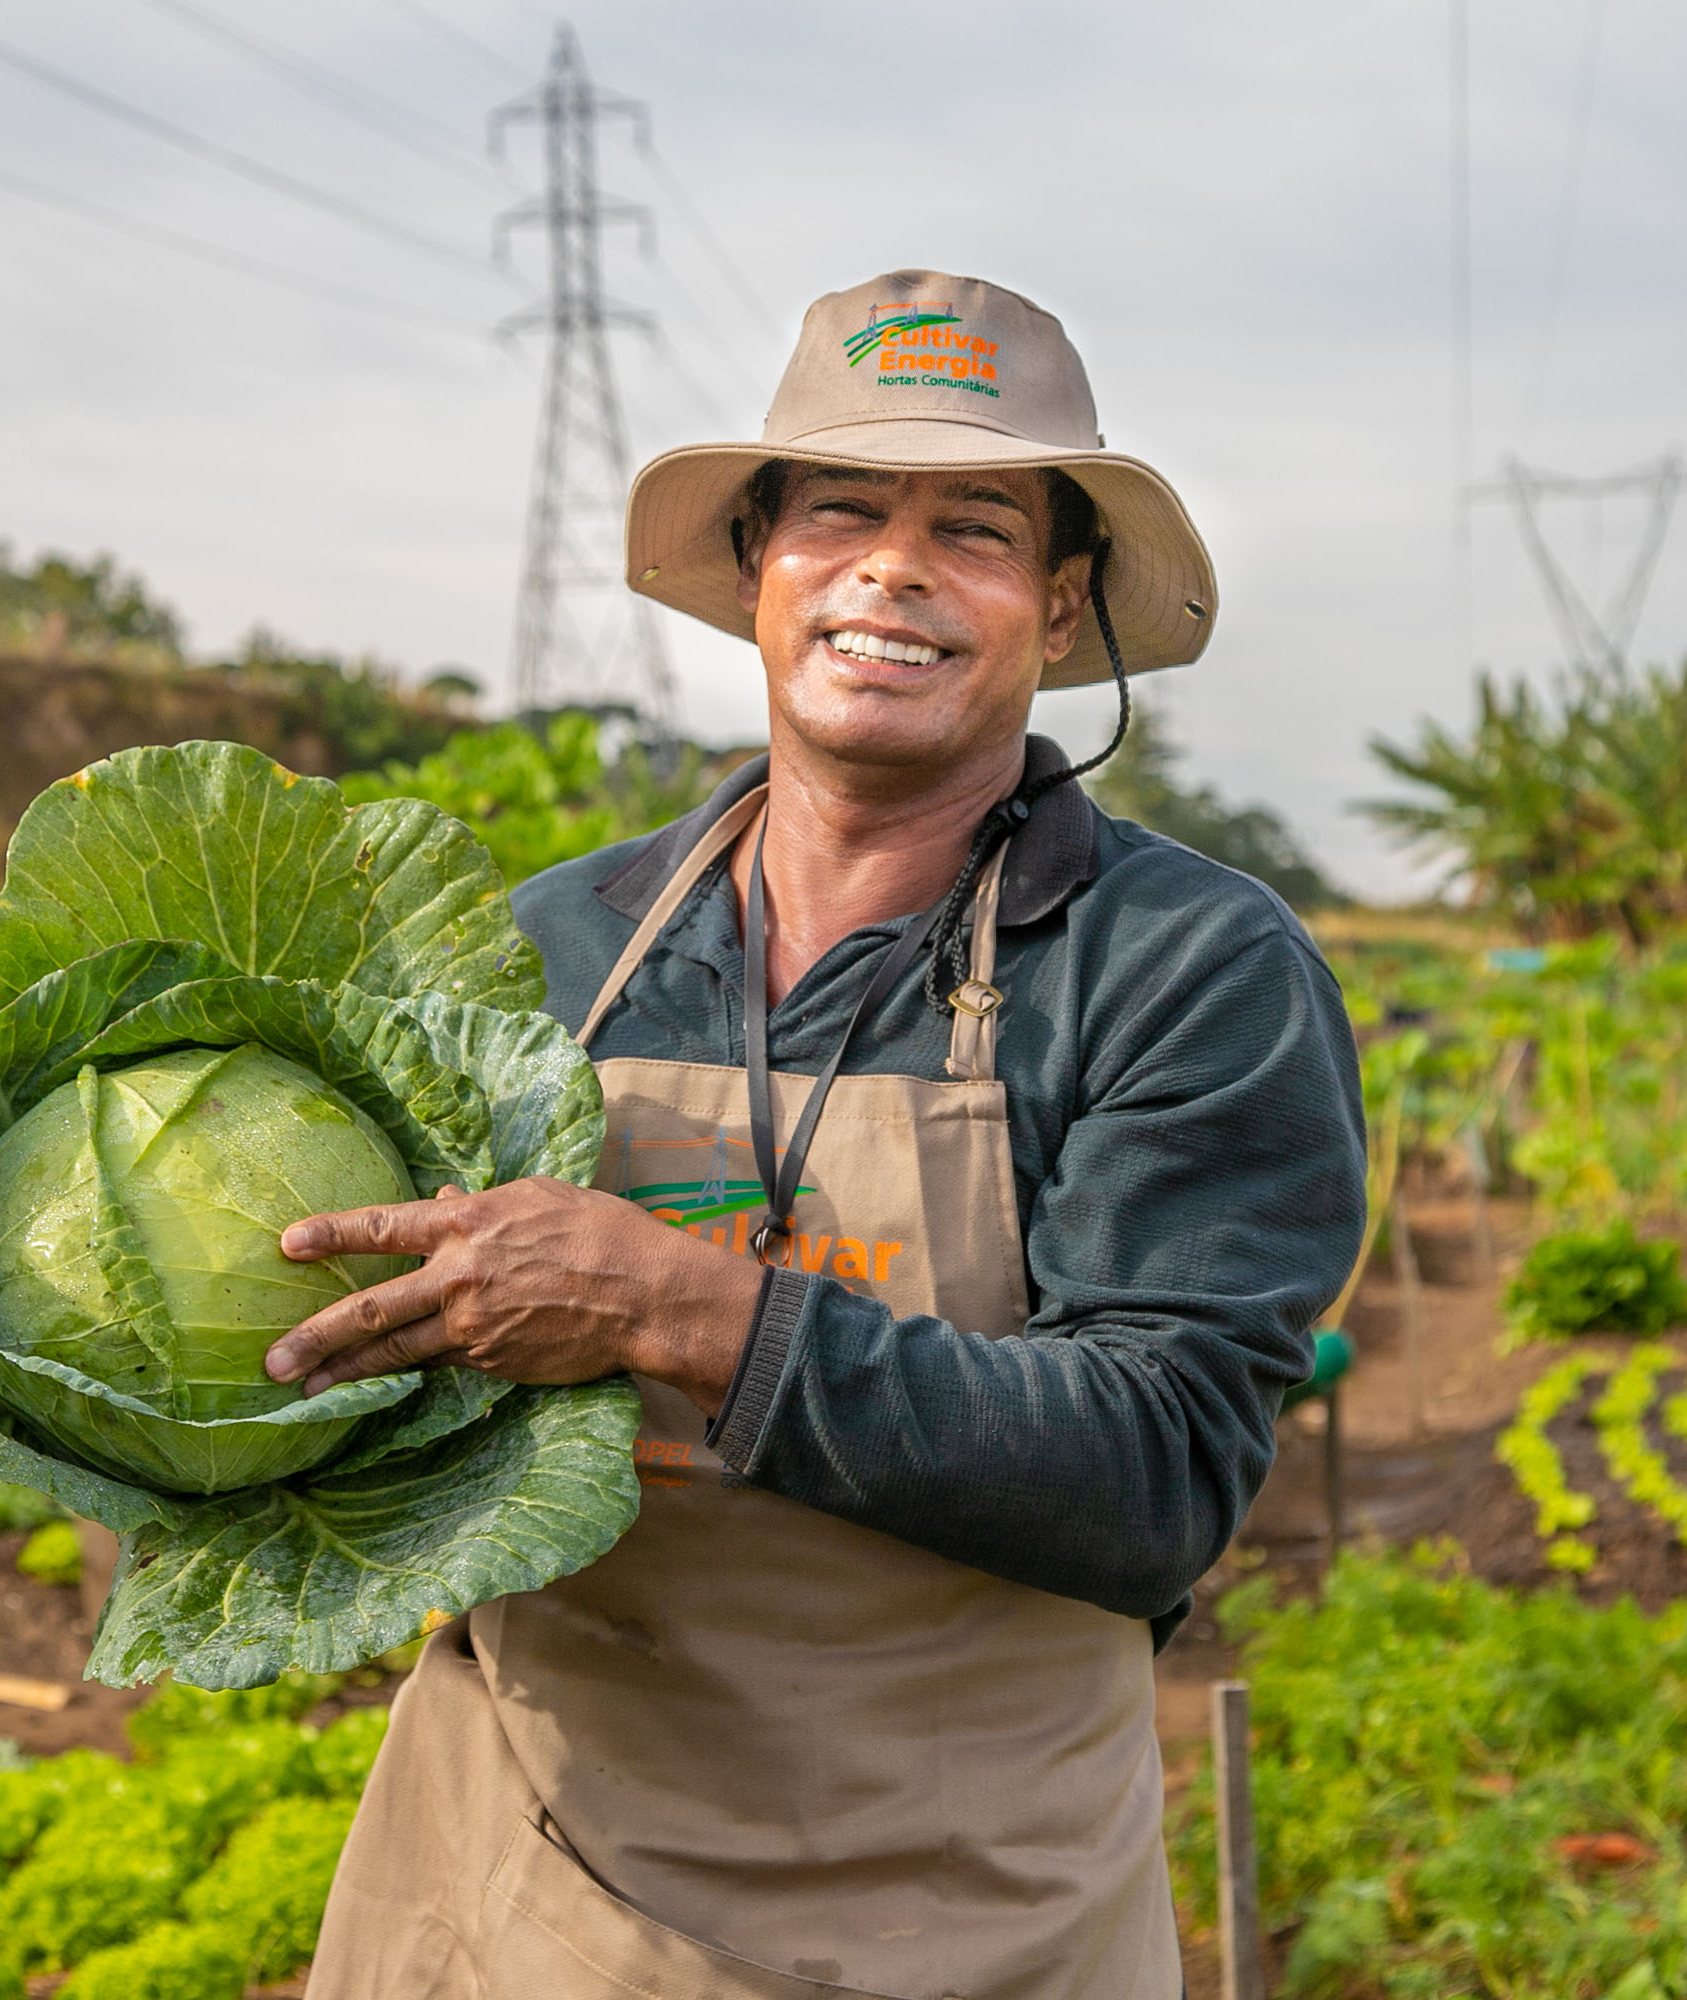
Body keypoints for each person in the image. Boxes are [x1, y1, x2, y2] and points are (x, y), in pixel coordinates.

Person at [278, 269, 1368, 1999]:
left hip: (970, 1914)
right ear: (757, 569)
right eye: (841, 510)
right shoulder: (552, 945)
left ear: (1065, 610)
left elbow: (1158, 1472)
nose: (893, 568)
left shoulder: (1188, 969)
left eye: (978, 529)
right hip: (524, 1892)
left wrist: (678, 1311)